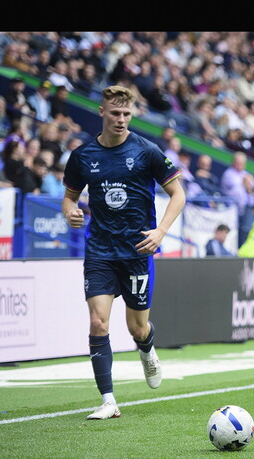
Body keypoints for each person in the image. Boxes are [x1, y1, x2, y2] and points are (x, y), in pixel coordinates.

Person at [61, 85, 186, 420]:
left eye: (126, 114)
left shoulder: (147, 151)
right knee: (98, 321)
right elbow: (69, 196)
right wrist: (70, 210)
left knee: (137, 328)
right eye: (115, 113)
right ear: (101, 112)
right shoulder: (83, 155)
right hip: (100, 249)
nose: (121, 119)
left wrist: (160, 231)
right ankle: (107, 400)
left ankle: (147, 349)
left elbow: (178, 194)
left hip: (137, 251)